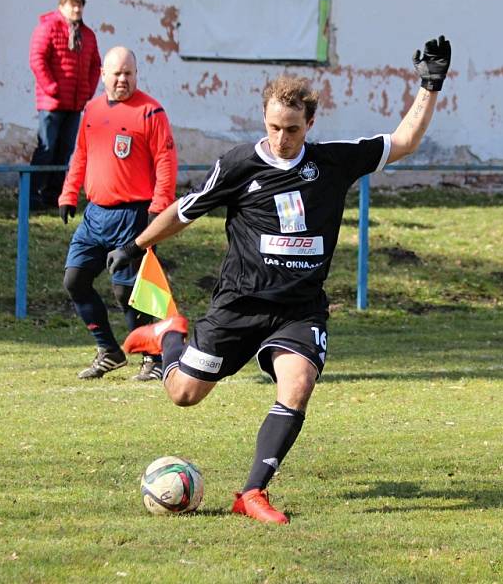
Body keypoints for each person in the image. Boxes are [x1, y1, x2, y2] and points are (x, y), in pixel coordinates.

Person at [108, 36, 451, 523]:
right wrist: (136, 245)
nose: (281, 138)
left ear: (310, 124)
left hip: (298, 309)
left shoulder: (332, 161)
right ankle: (170, 336)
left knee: (298, 383)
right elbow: (185, 211)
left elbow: (405, 141)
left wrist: (429, 85)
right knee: (183, 394)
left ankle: (251, 492)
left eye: (291, 129)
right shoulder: (239, 164)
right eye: (273, 127)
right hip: (238, 306)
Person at [58, 46, 177, 381]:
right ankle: (109, 350)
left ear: (136, 75)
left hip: (134, 216)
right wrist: (69, 193)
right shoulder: (92, 110)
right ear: (103, 75)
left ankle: (154, 357)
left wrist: (159, 206)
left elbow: (165, 162)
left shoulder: (151, 112)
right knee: (75, 279)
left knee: (128, 292)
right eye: (117, 73)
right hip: (95, 215)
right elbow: (80, 154)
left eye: (129, 73)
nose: (123, 79)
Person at [29, 0, 101, 209]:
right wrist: (52, 87)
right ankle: (32, 195)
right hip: (52, 102)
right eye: (72, 5)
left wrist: (88, 91)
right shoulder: (48, 28)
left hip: (75, 103)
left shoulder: (87, 35)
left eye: (79, 6)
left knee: (65, 150)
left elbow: (95, 64)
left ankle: (52, 195)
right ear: (62, 7)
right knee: (47, 147)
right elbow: (37, 59)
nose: (77, 9)